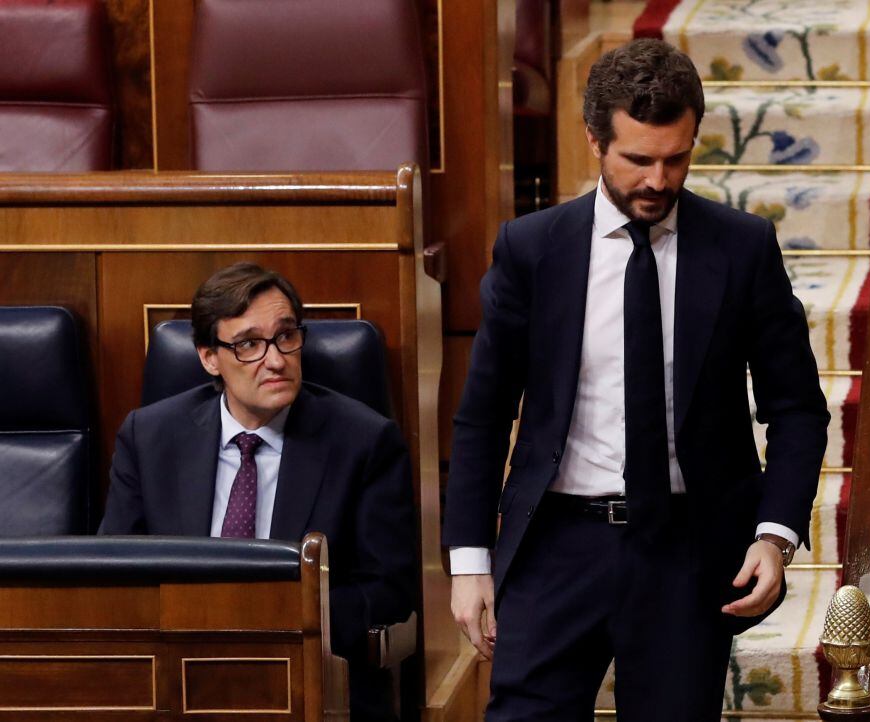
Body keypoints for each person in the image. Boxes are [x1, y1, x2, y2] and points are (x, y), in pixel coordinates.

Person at [442, 38, 829, 721]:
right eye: (638, 160)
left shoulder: (740, 249)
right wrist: (469, 560)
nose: (657, 180)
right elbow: (481, 415)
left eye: (676, 160)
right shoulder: (532, 250)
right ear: (595, 140)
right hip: (557, 543)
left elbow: (797, 408)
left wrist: (774, 534)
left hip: (687, 548)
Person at [99, 262, 416, 722]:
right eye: (249, 344)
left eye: (287, 336)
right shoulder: (149, 437)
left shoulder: (364, 441)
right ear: (210, 357)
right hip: (178, 680)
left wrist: (273, 624)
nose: (275, 359)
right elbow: (116, 573)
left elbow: (390, 589)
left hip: (305, 682)